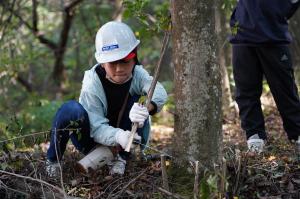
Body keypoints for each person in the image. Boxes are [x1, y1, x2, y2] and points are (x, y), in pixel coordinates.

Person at [45, 21, 168, 176]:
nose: (119, 68)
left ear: (134, 57)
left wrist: (146, 108)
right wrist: (119, 136)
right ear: (102, 63)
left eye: (125, 61)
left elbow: (159, 91)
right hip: (91, 139)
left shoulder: (137, 74)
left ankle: (120, 158)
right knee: (70, 110)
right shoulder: (92, 83)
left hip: (125, 139)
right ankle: (53, 160)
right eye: (112, 63)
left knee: (137, 103)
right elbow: (96, 127)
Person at [229, 0, 300, 153]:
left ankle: (297, 134)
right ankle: (255, 137)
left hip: (273, 35)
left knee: (285, 90)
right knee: (245, 91)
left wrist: (278, 12)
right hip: (242, 36)